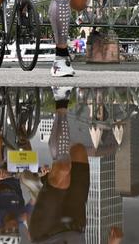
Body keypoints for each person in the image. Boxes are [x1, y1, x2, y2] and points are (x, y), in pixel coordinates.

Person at [27, 87, 91, 243]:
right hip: (75, 226)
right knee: (78, 151)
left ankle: (61, 99)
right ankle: (48, 178)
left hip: (46, 233)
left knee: (63, 168)